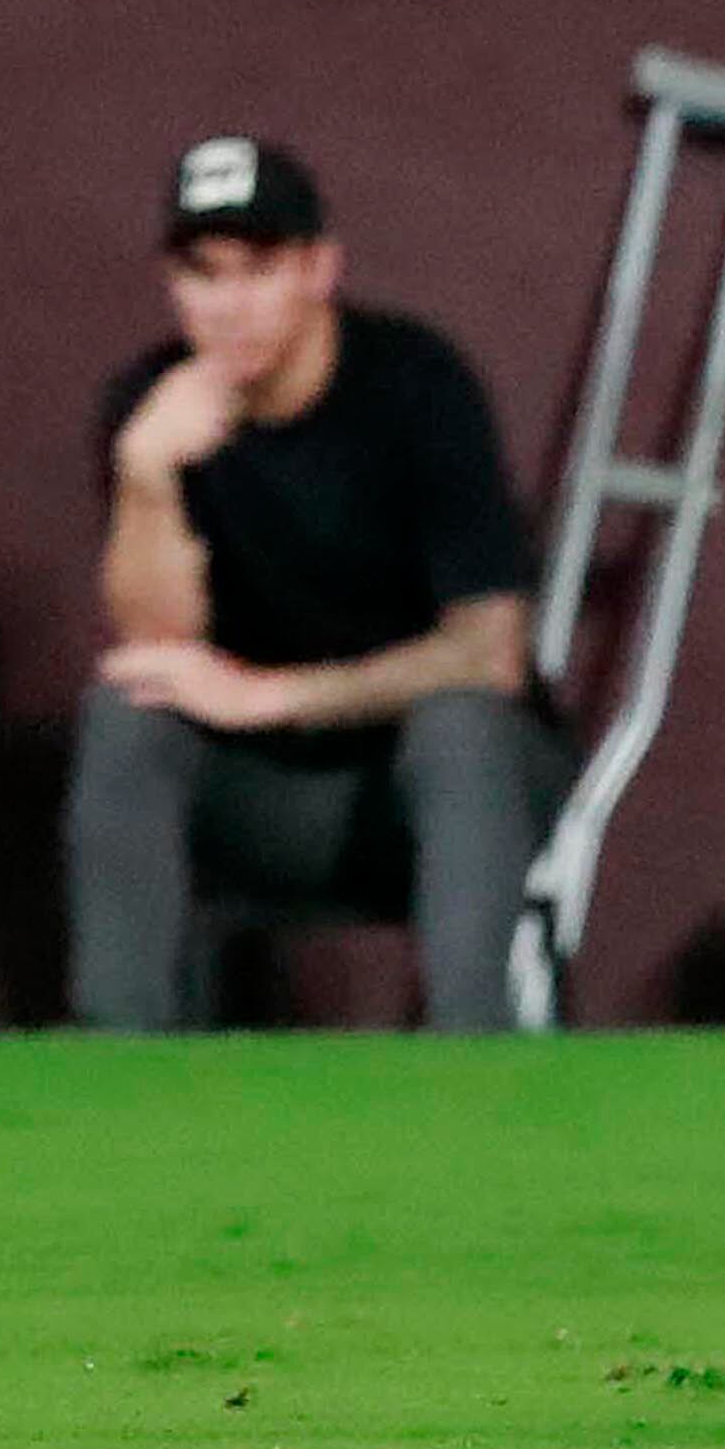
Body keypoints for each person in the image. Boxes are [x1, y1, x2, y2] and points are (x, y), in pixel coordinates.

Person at [67, 138, 565, 1033]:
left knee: (461, 723)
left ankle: (474, 1061)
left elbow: (491, 652)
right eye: (204, 275)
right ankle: (118, 1060)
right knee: (126, 712)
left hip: (430, 794)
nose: (231, 306)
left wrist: (276, 697)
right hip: (266, 802)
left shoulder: (417, 382)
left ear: (319, 269)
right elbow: (156, 647)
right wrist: (145, 475)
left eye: (260, 270)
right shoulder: (151, 403)